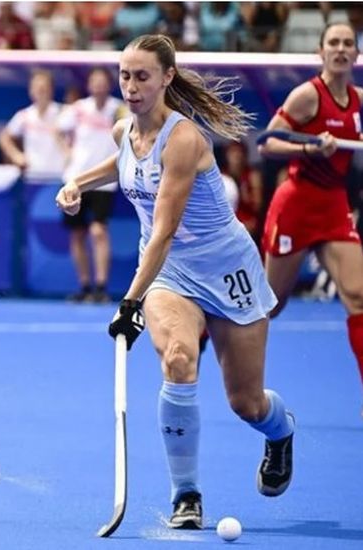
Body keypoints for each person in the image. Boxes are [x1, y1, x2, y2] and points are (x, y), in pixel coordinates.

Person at [56, 34, 295, 530]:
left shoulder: (185, 139)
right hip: (171, 273)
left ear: (167, 77)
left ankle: (280, 432)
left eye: (142, 76)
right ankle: (186, 494)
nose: (131, 85)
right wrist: (79, 182)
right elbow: (121, 166)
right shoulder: (124, 130)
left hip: (227, 269)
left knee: (246, 403)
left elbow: (163, 230)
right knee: (179, 360)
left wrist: (128, 301)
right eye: (125, 75)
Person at [258, 22, 363, 403]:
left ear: (355, 54)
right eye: (333, 43)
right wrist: (309, 149)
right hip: (297, 204)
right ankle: (209, 336)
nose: (340, 49)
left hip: (333, 205)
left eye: (347, 43)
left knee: (359, 296)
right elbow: (268, 144)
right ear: (321, 52)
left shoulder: (359, 100)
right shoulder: (306, 96)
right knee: (270, 304)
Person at [57, 68, 127, 303]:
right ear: (89, 85)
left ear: (109, 85)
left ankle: (101, 287)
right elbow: (58, 130)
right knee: (77, 234)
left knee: (98, 231)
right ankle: (85, 285)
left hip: (103, 182)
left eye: (102, 82)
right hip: (76, 179)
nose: (98, 86)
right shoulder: (77, 109)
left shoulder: (119, 109)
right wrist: (67, 152)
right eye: (94, 82)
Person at [0, 70, 68, 181]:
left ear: (51, 90)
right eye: (37, 88)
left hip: (58, 175)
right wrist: (16, 156)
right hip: (32, 175)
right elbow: (3, 137)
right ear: (31, 90)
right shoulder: (24, 116)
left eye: (44, 88)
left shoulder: (63, 112)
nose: (40, 91)